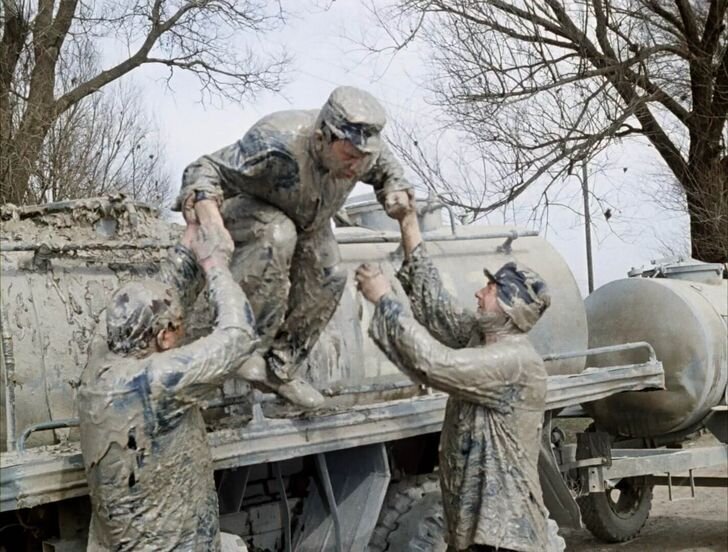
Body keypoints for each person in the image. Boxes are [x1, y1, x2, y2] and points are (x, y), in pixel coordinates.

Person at [175, 86, 413, 408]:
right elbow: (205, 168)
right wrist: (211, 221)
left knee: (331, 275)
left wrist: (394, 188)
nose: (357, 168)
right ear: (321, 138)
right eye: (350, 157)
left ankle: (280, 369)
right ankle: (238, 347)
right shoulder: (276, 143)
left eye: (364, 158)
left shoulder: (363, 153)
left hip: (311, 223)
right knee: (278, 234)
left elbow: (385, 165)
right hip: (249, 213)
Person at [354, 196, 564, 552]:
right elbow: (435, 306)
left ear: (511, 307)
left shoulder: (513, 362)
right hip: (481, 533)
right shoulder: (480, 338)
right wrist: (408, 222)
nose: (479, 293)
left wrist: (385, 300)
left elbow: (435, 364)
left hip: (506, 538)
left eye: (491, 289)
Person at [77, 200, 257, 551]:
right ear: (162, 337)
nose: (182, 333)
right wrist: (215, 264)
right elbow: (239, 336)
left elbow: (157, 294)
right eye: (178, 328)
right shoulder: (155, 383)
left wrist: (189, 241)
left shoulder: (100, 362)